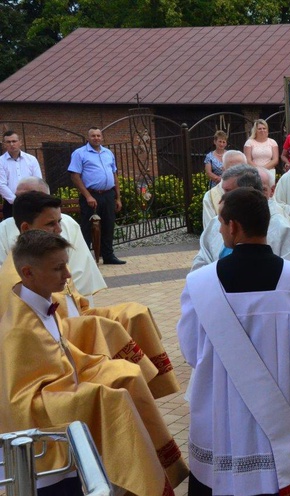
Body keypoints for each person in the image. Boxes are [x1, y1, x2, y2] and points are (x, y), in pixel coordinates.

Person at [0, 230, 189, 495]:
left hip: (64, 407)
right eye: (58, 268)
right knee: (113, 399)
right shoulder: (20, 330)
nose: (67, 275)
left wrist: (99, 367)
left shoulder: (43, 302)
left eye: (66, 264)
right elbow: (19, 404)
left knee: (125, 376)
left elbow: (62, 354)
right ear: (28, 273)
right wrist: (93, 395)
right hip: (43, 454)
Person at [179, 187, 290, 495]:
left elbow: (192, 352)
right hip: (280, 413)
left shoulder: (200, 283)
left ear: (233, 226)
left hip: (220, 413)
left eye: (221, 223)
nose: (220, 230)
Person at [0, 190, 181, 398]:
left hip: (76, 322)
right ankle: (139, 394)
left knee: (136, 313)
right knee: (121, 362)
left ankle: (154, 387)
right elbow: (37, 339)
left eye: (59, 222)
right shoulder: (18, 279)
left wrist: (87, 314)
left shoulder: (44, 257)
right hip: (59, 350)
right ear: (25, 228)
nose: (59, 230)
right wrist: (91, 324)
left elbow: (73, 301)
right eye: (51, 224)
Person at [0, 177, 106, 298]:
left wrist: (60, 304)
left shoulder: (68, 224)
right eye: (19, 197)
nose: (59, 229)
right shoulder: (3, 229)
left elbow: (80, 273)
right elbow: (4, 279)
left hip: (69, 302)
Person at [193, 165, 290, 270]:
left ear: (248, 191)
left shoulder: (279, 227)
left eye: (228, 191)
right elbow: (202, 259)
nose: (223, 196)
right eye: (223, 190)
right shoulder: (216, 222)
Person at [67, 126, 125, 265]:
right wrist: (88, 196)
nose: (96, 138)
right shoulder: (80, 153)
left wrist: (118, 197)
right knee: (88, 227)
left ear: (102, 137)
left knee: (108, 225)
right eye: (93, 136)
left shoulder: (108, 153)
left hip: (108, 195)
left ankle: (108, 256)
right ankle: (85, 258)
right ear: (88, 138)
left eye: (98, 135)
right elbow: (75, 176)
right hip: (91, 196)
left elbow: (114, 175)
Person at [0, 130, 42, 220]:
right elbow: (1, 185)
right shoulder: (1, 162)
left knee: (32, 231)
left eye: (14, 141)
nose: (12, 144)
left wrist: (33, 199)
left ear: (20, 142)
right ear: (4, 144)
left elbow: (38, 181)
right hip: (11, 204)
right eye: (8, 142)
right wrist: (15, 201)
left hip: (31, 202)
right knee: (12, 232)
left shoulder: (31, 160)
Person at [201, 150, 248, 229]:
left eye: (240, 168)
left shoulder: (255, 191)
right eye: (232, 169)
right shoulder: (210, 197)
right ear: (223, 169)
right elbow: (211, 230)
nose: (236, 173)